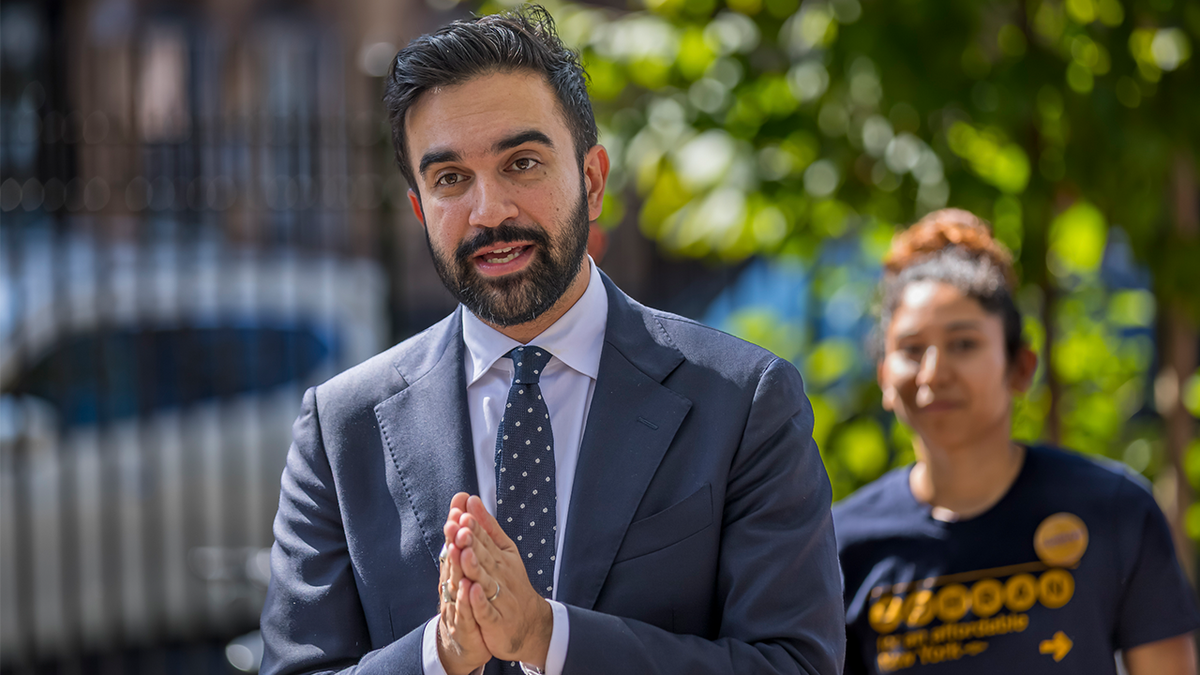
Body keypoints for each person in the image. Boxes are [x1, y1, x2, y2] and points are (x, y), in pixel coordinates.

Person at [259, 7, 844, 675]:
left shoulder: (742, 401)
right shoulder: (342, 428)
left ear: (592, 179)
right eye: (451, 179)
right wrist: (437, 655)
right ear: (419, 208)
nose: (490, 211)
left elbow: (795, 664)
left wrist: (551, 638)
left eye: (522, 162)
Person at [834, 208, 1200, 674]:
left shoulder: (1114, 510)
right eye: (910, 350)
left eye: (963, 344)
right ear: (885, 377)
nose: (933, 373)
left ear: (1021, 368)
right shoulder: (840, 548)